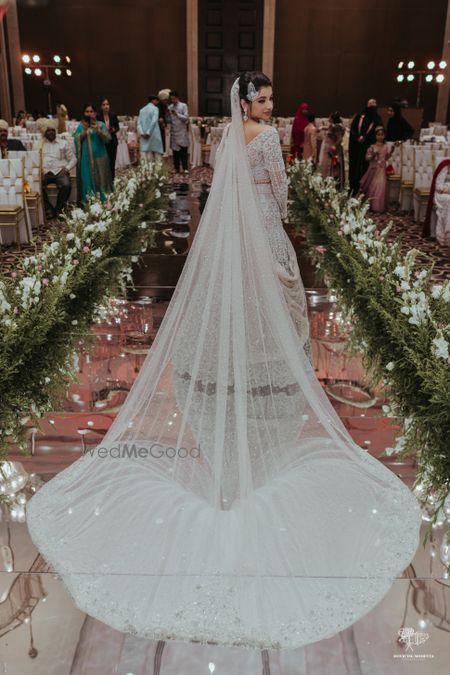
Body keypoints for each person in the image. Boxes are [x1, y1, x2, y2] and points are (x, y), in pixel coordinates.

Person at [27, 72, 421, 654]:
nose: (270, 104)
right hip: (263, 231)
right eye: (263, 98)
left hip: (232, 233)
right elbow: (282, 199)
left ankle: (240, 353)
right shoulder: (263, 140)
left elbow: (216, 187)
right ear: (246, 101)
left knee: (236, 293)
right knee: (276, 298)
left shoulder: (228, 139)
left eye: (269, 98)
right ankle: (268, 355)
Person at [38, 117, 76, 218]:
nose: (51, 132)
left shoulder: (63, 143)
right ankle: (49, 209)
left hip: (60, 172)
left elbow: (73, 159)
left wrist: (67, 169)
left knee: (66, 185)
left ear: (56, 131)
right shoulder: (39, 144)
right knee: (36, 186)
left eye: (52, 130)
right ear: (45, 132)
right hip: (44, 173)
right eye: (48, 130)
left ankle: (59, 209)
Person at [74, 103, 112, 204]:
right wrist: (85, 131)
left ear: (95, 113)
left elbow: (107, 139)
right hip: (86, 159)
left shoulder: (100, 124)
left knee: (101, 180)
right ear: (84, 113)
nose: (89, 113)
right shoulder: (81, 126)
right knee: (87, 179)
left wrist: (98, 130)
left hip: (100, 157)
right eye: (87, 111)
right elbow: (76, 139)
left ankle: (104, 202)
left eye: (91, 111)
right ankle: (89, 202)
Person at [349, 99, 382, 195]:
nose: (372, 108)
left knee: (366, 169)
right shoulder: (360, 117)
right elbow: (353, 130)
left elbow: (380, 133)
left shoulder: (377, 119)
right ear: (366, 106)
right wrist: (357, 138)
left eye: (374, 106)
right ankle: (353, 189)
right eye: (370, 106)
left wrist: (367, 140)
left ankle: (365, 192)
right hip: (357, 148)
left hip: (369, 148)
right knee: (355, 169)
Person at [359, 126, 396, 213]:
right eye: (378, 135)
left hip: (382, 170)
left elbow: (386, 157)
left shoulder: (385, 147)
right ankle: (371, 205)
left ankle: (378, 207)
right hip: (373, 170)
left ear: (384, 136)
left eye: (382, 135)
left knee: (381, 186)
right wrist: (373, 155)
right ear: (375, 136)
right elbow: (367, 158)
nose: (380, 136)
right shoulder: (372, 146)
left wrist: (392, 150)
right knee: (373, 187)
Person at [423, 158, 450, 243]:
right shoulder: (445, 165)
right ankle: (446, 235)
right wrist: (447, 190)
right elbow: (438, 185)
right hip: (442, 193)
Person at [319, 111, 346, 190]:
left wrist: (334, 146)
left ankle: (332, 184)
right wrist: (321, 128)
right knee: (326, 165)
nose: (328, 119)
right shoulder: (333, 126)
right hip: (328, 148)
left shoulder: (337, 127)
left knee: (333, 166)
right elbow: (328, 128)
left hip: (333, 149)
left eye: (330, 117)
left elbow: (339, 138)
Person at [96, 98, 119, 182]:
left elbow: (117, 127)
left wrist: (114, 130)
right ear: (101, 106)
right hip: (102, 143)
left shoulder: (113, 115)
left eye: (107, 104)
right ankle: (103, 182)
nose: (106, 106)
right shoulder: (98, 116)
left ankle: (112, 181)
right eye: (104, 104)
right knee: (103, 163)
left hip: (112, 141)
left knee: (112, 163)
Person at [167, 90, 189, 173]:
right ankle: (176, 168)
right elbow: (169, 121)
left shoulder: (183, 106)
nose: (173, 101)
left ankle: (185, 168)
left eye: (174, 99)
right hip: (174, 131)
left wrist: (177, 114)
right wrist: (168, 115)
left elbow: (186, 117)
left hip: (182, 131)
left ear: (177, 98)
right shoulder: (170, 107)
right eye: (171, 99)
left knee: (183, 150)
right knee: (175, 151)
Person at [137, 95, 163, 160]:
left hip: (144, 136)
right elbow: (154, 121)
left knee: (145, 154)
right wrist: (148, 132)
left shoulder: (141, 110)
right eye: (157, 100)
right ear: (153, 100)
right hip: (154, 134)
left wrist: (142, 133)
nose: (157, 102)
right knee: (157, 154)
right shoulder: (155, 109)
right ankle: (158, 169)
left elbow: (138, 123)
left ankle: (146, 169)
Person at [157, 88, 170, 153]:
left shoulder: (163, 105)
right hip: (160, 125)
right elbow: (160, 117)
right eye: (166, 100)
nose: (166, 101)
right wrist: (163, 124)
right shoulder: (161, 105)